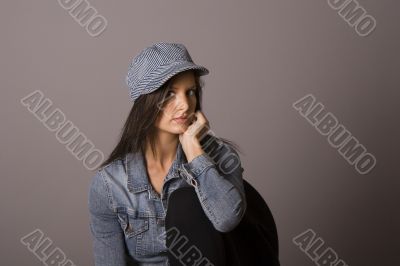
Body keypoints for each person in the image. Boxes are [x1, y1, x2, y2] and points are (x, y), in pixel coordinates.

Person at [88, 42, 247, 265]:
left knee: (185, 200)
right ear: (146, 101)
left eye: (190, 92)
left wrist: (194, 151)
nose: (184, 105)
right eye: (170, 93)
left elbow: (226, 219)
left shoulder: (222, 157)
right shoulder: (109, 185)